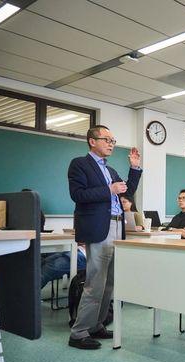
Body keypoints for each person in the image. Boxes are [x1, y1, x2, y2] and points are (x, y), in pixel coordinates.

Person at [67, 125, 142, 350]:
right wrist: (109, 190)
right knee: (95, 282)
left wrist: (134, 168)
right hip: (99, 227)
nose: (111, 144)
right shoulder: (80, 164)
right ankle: (79, 332)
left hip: (117, 226)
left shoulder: (110, 170)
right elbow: (77, 195)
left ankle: (96, 325)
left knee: (109, 282)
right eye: (107, 140)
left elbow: (127, 191)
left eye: (113, 141)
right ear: (92, 141)